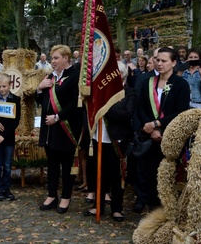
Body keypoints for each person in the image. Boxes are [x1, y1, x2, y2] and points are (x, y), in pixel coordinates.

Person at [135, 47, 190, 210]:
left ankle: (162, 203)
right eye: (157, 60)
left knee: (164, 170)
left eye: (164, 61)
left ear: (174, 63)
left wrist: (158, 124)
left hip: (169, 133)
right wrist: (150, 128)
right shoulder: (148, 82)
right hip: (148, 132)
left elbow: (180, 111)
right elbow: (141, 107)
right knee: (145, 169)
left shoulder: (181, 84)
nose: (159, 64)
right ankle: (144, 199)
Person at [83, 61, 137, 221]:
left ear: (122, 75)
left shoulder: (130, 93)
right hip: (98, 138)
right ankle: (98, 206)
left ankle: (117, 208)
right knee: (99, 173)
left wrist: (105, 107)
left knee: (116, 175)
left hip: (117, 140)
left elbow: (126, 114)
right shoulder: (101, 92)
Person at [37, 45, 82, 214]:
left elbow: (75, 104)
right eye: (52, 58)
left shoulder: (75, 76)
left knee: (67, 164)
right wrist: (40, 88)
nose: (52, 61)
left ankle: (65, 197)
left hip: (66, 128)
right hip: (49, 129)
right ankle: (51, 195)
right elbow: (41, 100)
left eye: (56, 58)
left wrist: (57, 117)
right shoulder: (50, 76)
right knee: (52, 163)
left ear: (66, 58)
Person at [0, 73, 21, 201]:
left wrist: (4, 135)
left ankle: (7, 188)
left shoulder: (15, 100)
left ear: (10, 85)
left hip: (8, 138)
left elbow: (15, 121)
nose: (2, 89)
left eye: (4, 86)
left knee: (7, 165)